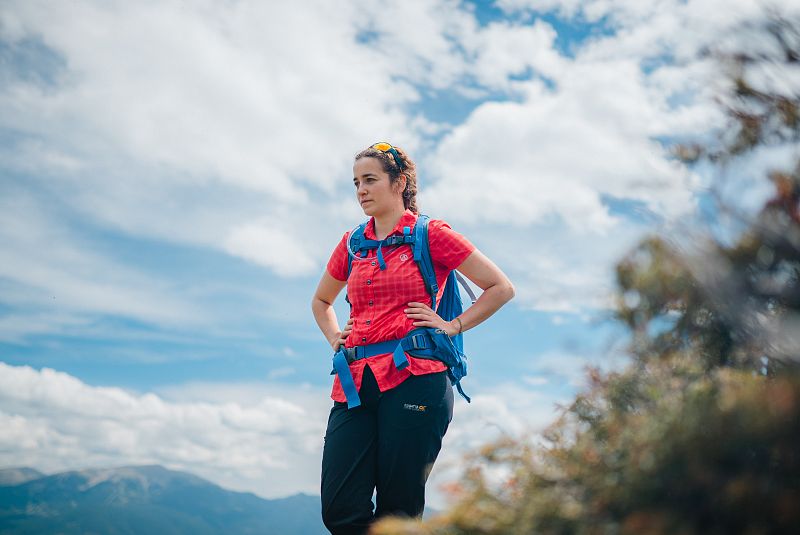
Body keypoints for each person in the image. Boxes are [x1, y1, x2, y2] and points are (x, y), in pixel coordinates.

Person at [311, 142, 514, 534]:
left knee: (398, 513)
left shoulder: (431, 234)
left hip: (416, 379)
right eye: (356, 183)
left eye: (370, 180)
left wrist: (452, 325)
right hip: (354, 383)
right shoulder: (352, 243)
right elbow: (321, 301)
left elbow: (500, 287)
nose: (361, 191)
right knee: (339, 509)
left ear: (399, 182)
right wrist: (336, 336)